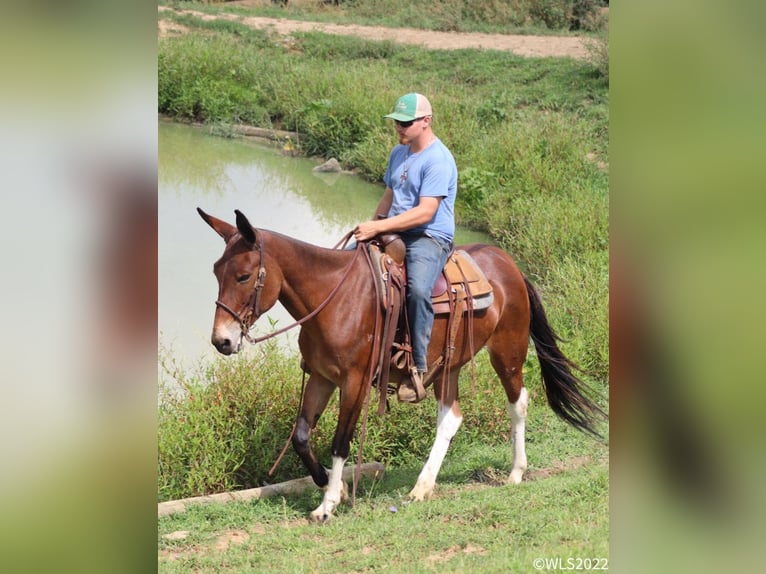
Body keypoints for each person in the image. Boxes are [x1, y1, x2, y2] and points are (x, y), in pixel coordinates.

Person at [353, 93, 458, 403]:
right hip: (393, 231)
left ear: (426, 121)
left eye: (405, 122)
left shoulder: (438, 159)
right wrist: (372, 225)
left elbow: (426, 212)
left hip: (427, 236)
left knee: (418, 291)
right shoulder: (399, 153)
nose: (398, 127)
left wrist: (380, 227)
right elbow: (390, 193)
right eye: (396, 122)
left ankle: (420, 367)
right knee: (350, 271)